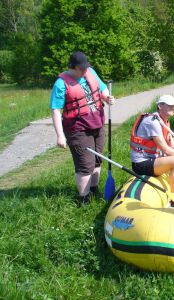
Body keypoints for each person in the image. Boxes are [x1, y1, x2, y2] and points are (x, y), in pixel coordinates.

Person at [50, 51, 115, 205]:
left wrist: (107, 97)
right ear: (73, 67)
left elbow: (102, 88)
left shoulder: (90, 72)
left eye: (86, 67)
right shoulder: (61, 84)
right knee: (85, 165)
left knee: (98, 160)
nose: (85, 71)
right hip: (77, 129)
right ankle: (84, 200)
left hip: (97, 123)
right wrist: (60, 135)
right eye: (82, 69)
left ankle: (94, 190)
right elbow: (55, 110)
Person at [130, 95, 174, 195]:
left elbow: (172, 145)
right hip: (141, 163)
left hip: (153, 159)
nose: (173, 108)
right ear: (160, 106)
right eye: (170, 105)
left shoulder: (164, 121)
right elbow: (166, 149)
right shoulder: (153, 122)